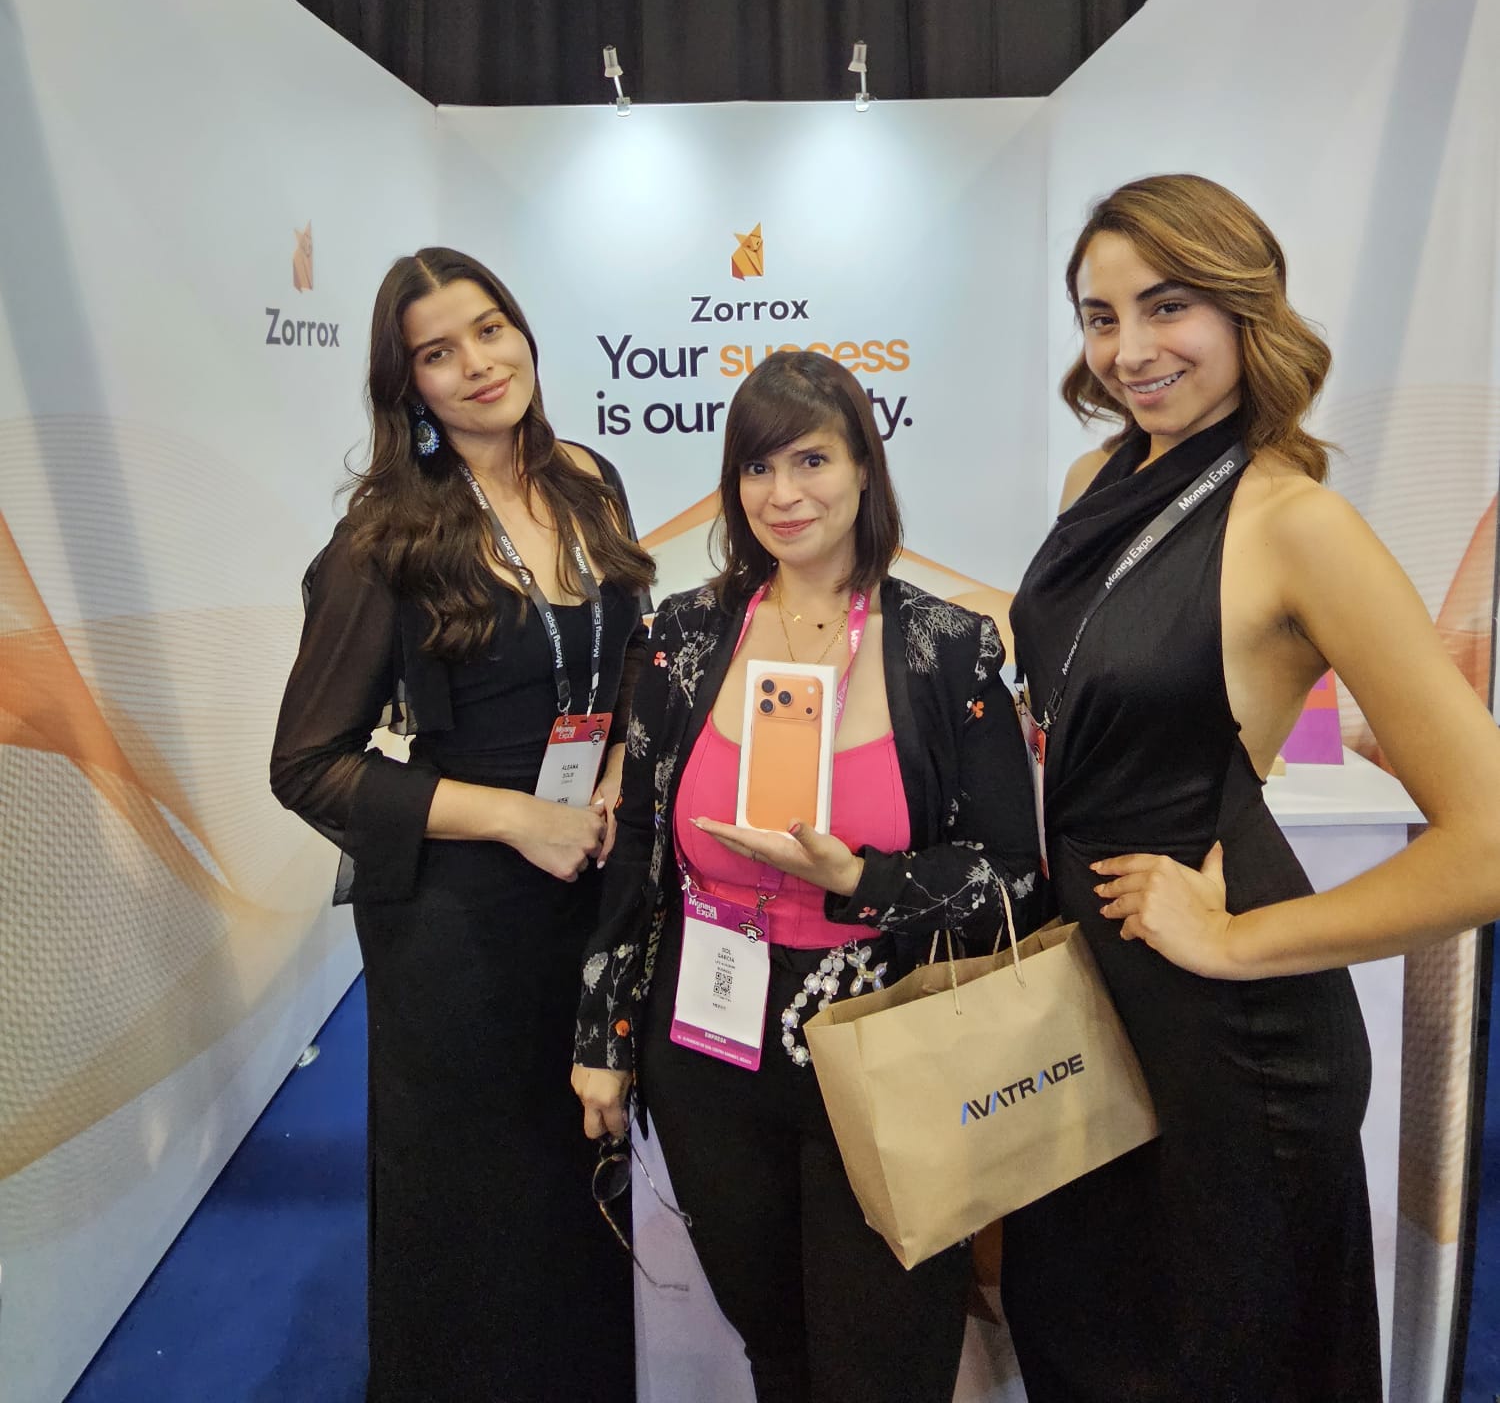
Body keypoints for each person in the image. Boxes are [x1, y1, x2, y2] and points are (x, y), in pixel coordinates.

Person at [999, 174, 1500, 1403]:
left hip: (1230, 1045)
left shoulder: (1298, 523)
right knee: (1072, 1339)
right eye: (1101, 315)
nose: (1130, 348)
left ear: (1242, 307)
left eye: (1166, 305)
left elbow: (1487, 842)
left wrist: (1235, 942)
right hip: (1085, 1002)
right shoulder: (1094, 480)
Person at [571, 350, 1043, 1403]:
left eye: (812, 460)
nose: (783, 494)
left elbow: (1013, 878)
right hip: (709, 1045)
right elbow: (640, 842)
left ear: (865, 467)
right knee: (775, 1350)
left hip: (889, 1045)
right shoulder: (685, 634)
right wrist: (603, 1035)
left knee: (886, 1364)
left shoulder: (947, 647)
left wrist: (864, 881)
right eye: (757, 467)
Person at [270, 247, 653, 1403]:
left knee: (585, 1166)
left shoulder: (587, 479)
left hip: (591, 879)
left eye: (491, 328)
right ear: (410, 387)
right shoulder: (383, 540)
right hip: (460, 919)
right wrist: (517, 817)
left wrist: (618, 765)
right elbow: (309, 765)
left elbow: (628, 656)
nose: (480, 363)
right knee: (477, 1201)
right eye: (440, 351)